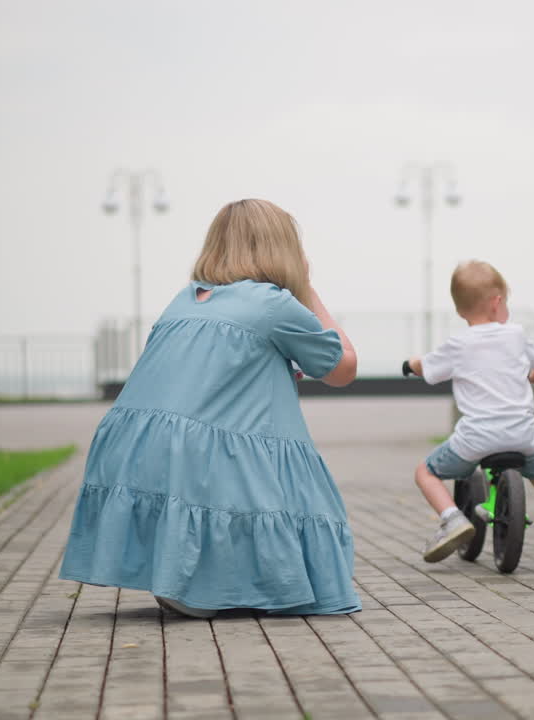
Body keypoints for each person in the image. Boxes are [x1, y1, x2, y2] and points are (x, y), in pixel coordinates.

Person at [59, 198, 361, 616]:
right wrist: (308, 290)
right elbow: (343, 368)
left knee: (233, 460)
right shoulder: (271, 303)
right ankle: (217, 585)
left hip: (134, 449)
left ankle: (187, 576)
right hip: (200, 454)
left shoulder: (184, 301)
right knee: (286, 488)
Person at [404, 260, 534, 569]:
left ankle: (452, 520)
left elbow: (430, 370)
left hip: (475, 439)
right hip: (522, 436)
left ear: (461, 311)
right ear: (497, 302)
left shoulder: (458, 344)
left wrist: (413, 363)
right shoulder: (516, 335)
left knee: (425, 472)